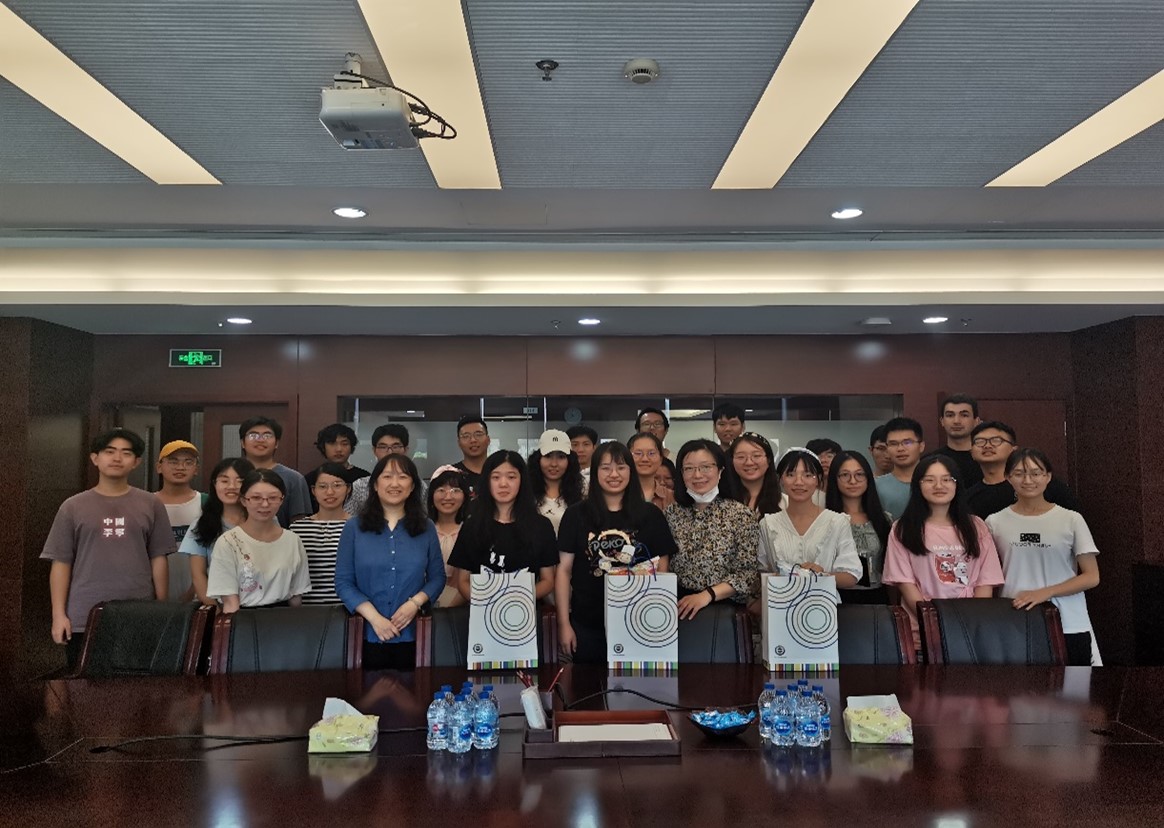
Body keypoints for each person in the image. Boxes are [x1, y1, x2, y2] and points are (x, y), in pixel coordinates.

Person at [40, 428, 174, 670]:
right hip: (83, 614)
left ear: (137, 462)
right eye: (109, 451)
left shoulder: (151, 504)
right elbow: (61, 562)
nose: (117, 458)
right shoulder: (72, 507)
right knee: (84, 684)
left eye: (126, 453)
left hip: (139, 612)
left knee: (136, 684)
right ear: (95, 458)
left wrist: (161, 608)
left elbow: (158, 557)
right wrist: (58, 615)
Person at [557, 441, 677, 663]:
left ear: (631, 471)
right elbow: (564, 571)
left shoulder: (651, 515)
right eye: (606, 468)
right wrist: (564, 624)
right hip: (587, 624)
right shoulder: (575, 515)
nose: (614, 474)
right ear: (595, 472)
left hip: (640, 622)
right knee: (588, 682)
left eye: (621, 467)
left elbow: (662, 568)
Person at [986, 448, 1101, 666]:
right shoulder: (994, 522)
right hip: (1014, 620)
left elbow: (1091, 576)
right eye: (1019, 473)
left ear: (1048, 476)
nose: (1028, 480)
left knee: (1074, 685)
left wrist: (1045, 593)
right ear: (1007, 477)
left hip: (1068, 621)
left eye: (1036, 473)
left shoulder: (1071, 519)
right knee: (1019, 686)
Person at [881, 454, 1005, 650]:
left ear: (957, 484)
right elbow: (905, 584)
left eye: (947, 479)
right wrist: (934, 619)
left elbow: (985, 582)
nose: (939, 486)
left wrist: (970, 619)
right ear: (918, 485)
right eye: (929, 480)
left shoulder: (977, 526)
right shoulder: (903, 528)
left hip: (969, 631)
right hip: (922, 634)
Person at [335, 453, 445, 670]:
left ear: (412, 486)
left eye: (403, 477)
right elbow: (343, 582)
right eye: (387, 477)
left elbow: (437, 577)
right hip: (366, 634)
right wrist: (375, 618)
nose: (395, 484)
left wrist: (414, 604)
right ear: (375, 485)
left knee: (416, 689)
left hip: (414, 634)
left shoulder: (426, 527)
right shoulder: (354, 527)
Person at [664, 439, 759, 619]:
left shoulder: (741, 515)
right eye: (689, 468)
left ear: (720, 471)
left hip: (723, 608)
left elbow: (747, 574)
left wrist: (707, 595)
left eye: (706, 467)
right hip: (677, 606)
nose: (697, 475)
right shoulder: (671, 514)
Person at [447, 450, 559, 600]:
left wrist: (514, 601)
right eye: (496, 477)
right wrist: (487, 603)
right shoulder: (472, 526)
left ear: (522, 480)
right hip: (482, 609)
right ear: (487, 481)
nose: (503, 484)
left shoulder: (541, 526)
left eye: (511, 477)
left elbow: (548, 581)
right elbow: (463, 582)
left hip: (526, 608)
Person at [755, 449, 860, 605]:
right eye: (791, 474)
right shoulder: (768, 523)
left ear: (818, 480)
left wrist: (822, 575)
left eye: (808, 475)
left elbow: (852, 574)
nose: (799, 482)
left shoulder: (836, 521)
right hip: (780, 606)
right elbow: (761, 571)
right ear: (780, 479)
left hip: (823, 607)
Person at [206, 468, 312, 611]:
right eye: (256, 498)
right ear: (243, 500)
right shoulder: (228, 542)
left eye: (273, 498)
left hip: (285, 617)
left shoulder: (292, 540)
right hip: (244, 616)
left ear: (282, 500)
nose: (265, 504)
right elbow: (230, 602)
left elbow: (296, 597)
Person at [967, 421, 1081, 518]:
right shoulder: (969, 497)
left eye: (996, 440)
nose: (987, 446)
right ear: (971, 452)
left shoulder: (1042, 485)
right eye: (979, 441)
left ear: (1013, 449)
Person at [181, 457, 254, 605]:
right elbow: (198, 576)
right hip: (217, 605)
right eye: (224, 481)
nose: (232, 486)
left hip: (258, 604)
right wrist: (217, 610)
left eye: (240, 481)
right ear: (215, 484)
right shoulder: (201, 525)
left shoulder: (265, 521)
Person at [825, 450, 894, 603]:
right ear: (835, 479)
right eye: (845, 475)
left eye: (859, 474)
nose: (853, 481)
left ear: (868, 478)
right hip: (836, 597)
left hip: (877, 597)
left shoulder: (884, 519)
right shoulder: (825, 520)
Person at [292, 462, 351, 605]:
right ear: (313, 490)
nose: (330, 492)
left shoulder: (361, 527)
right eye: (323, 486)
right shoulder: (297, 529)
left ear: (348, 489)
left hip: (349, 608)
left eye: (337, 485)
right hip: (308, 610)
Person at [238, 416, 312, 528]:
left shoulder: (294, 479)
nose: (260, 440)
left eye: (267, 435)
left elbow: (300, 524)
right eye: (253, 435)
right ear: (242, 443)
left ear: (276, 443)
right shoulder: (231, 477)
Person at [154, 440, 202, 602]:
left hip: (197, 596)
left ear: (196, 469)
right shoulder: (146, 504)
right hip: (153, 595)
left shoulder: (206, 503)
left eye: (188, 462)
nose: (181, 467)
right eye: (173, 462)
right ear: (159, 467)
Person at [426, 465, 470, 608]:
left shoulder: (472, 531)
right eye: (441, 490)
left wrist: (450, 607)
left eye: (455, 490)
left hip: (462, 606)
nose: (448, 496)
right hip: (424, 603)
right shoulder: (421, 530)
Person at [527, 429, 585, 534]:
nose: (554, 464)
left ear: (570, 461)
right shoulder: (526, 493)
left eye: (561, 457)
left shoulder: (583, 493)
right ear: (538, 459)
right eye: (548, 456)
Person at [303, 423, 369, 512]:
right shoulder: (311, 479)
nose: (339, 449)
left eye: (344, 444)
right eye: (332, 443)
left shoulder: (364, 478)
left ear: (351, 447)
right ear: (323, 447)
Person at [345, 423, 409, 514]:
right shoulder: (360, 486)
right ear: (374, 450)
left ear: (406, 450)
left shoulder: (418, 485)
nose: (390, 452)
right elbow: (348, 516)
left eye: (395, 446)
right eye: (383, 447)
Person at [874, 417, 927, 520]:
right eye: (893, 444)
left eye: (907, 442)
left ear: (921, 446)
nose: (900, 449)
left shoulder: (937, 482)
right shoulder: (876, 486)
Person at [725, 431, 783, 517]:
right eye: (741, 457)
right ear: (732, 461)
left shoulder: (786, 503)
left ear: (769, 459)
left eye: (756, 456)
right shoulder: (721, 502)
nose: (749, 462)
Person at [935, 394, 984, 488]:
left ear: (976, 421)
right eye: (950, 415)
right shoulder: (932, 461)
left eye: (964, 415)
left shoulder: (987, 459)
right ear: (942, 421)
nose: (956, 421)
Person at [628, 431, 674, 510]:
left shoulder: (672, 498)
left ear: (660, 459)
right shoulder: (618, 495)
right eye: (638, 453)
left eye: (651, 453)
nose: (645, 459)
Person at [453, 416, 491, 500]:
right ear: (459, 443)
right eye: (466, 436)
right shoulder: (452, 474)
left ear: (488, 440)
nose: (473, 440)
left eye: (478, 434)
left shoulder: (498, 471)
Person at [805, 438, 842, 507]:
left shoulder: (844, 490)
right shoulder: (802, 492)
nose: (824, 460)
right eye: (818, 456)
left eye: (829, 456)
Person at [567, 425, 599, 491]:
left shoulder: (600, 474)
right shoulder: (562, 475)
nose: (580, 450)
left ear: (594, 448)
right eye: (575, 445)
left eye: (586, 444)